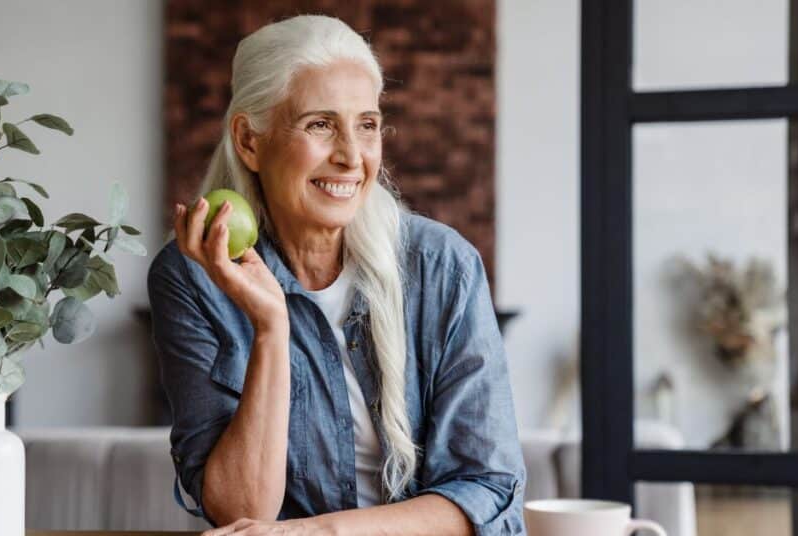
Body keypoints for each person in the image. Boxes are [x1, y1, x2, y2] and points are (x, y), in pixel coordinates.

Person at [147, 14, 525, 535]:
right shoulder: (191, 279)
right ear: (249, 141)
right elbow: (240, 514)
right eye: (320, 124)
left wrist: (316, 533)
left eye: (367, 125)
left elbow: (488, 489)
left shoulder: (443, 267)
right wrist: (270, 329)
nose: (352, 156)